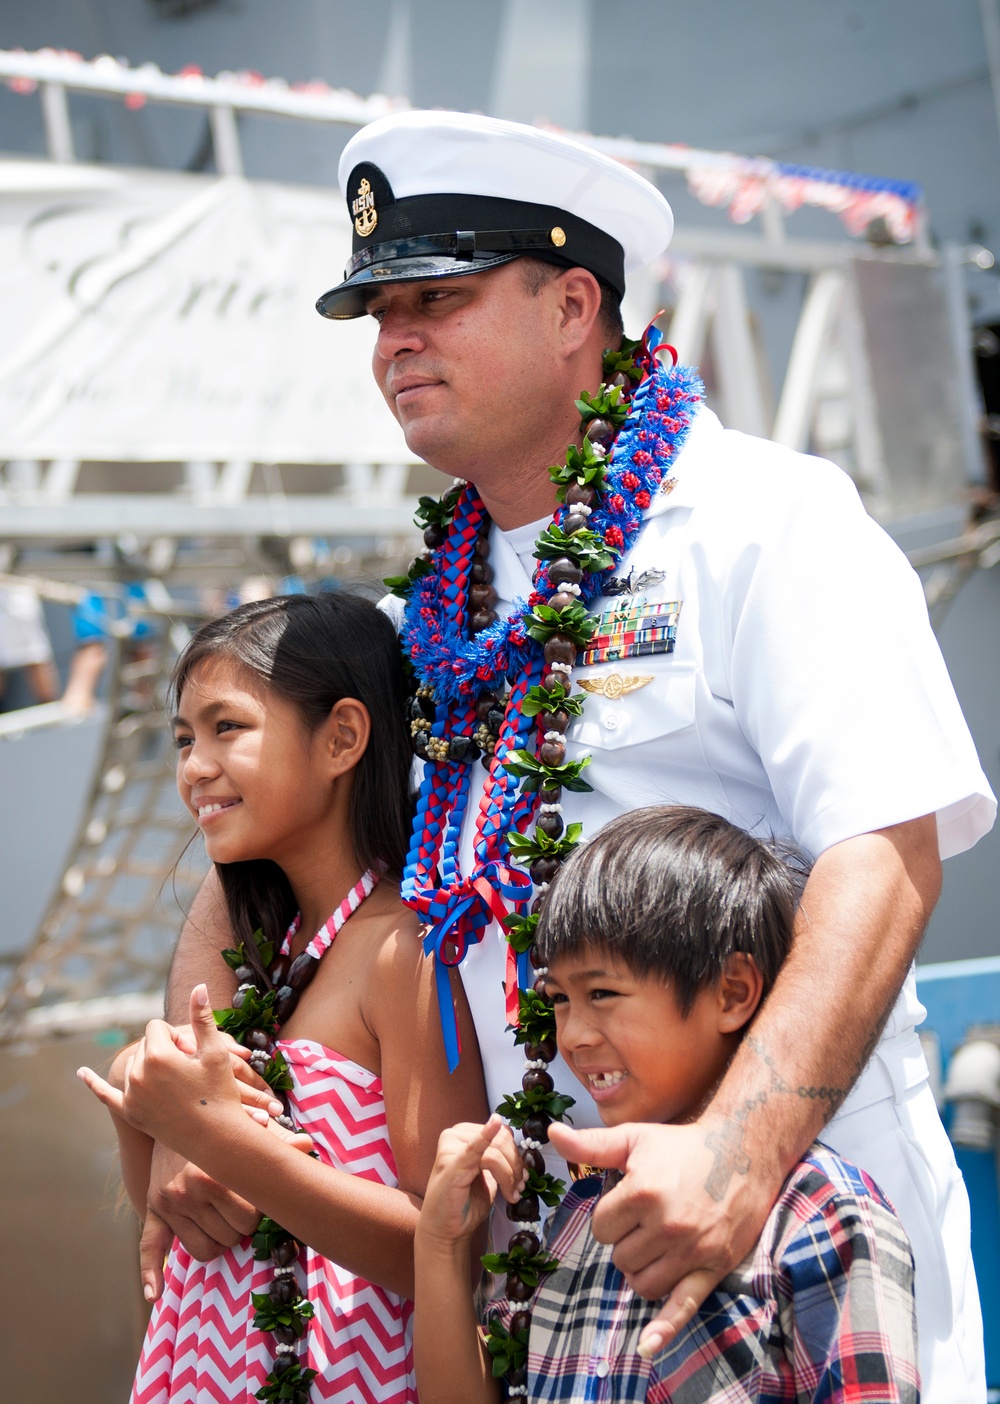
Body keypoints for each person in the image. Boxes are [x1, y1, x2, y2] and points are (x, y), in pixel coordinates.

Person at [154, 111, 994, 1401]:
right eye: (378, 313)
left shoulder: (765, 526)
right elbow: (253, 833)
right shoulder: (415, 620)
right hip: (545, 1278)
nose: (396, 342)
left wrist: (739, 1152)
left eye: (437, 296)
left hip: (793, 1237)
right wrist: (191, 1103)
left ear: (572, 307)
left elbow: (884, 851)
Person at [78, 592, 486, 1403]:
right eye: (185, 739)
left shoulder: (400, 951)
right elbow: (178, 1227)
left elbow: (441, 1245)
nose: (195, 766)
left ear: (342, 737)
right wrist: (142, 1091)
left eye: (228, 728)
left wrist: (217, 1134)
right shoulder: (264, 949)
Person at [415, 805, 920, 1403]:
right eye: (560, 1000)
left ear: (732, 991)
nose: (572, 1035)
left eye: (603, 993)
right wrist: (442, 1246)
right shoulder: (579, 1215)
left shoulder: (820, 1214)